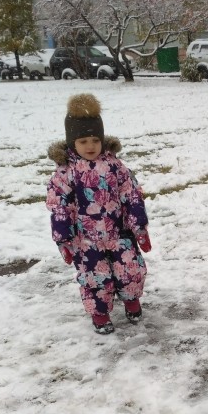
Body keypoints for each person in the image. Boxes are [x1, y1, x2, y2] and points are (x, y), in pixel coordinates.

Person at [46, 93, 152, 334]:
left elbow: (131, 193)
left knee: (131, 270)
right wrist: (63, 239)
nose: (91, 146)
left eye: (95, 139)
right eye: (83, 141)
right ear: (72, 142)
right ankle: (100, 313)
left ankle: (131, 300)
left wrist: (139, 227)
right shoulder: (65, 173)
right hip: (87, 240)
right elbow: (58, 206)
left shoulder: (115, 166)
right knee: (95, 278)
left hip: (119, 233)